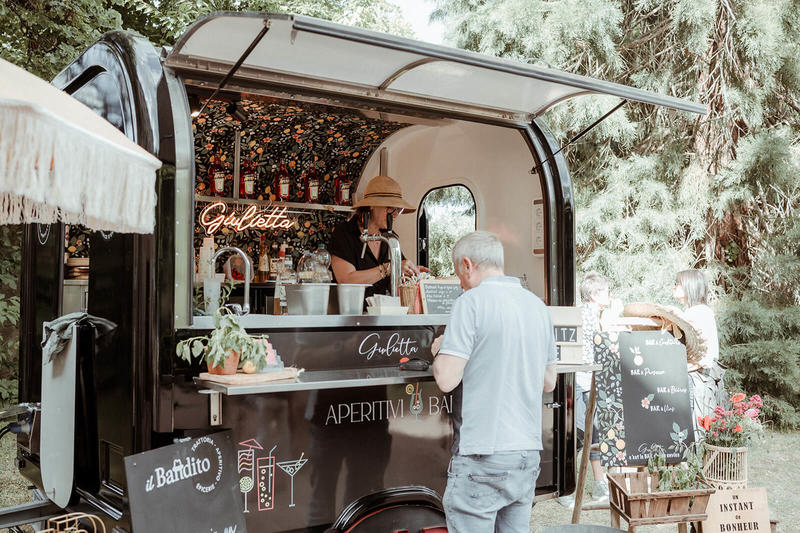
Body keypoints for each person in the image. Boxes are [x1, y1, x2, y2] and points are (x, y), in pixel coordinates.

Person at [431, 231, 558, 533]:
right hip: (526, 455)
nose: (460, 282)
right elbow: (549, 381)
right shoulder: (537, 306)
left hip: (483, 453)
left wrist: (441, 349)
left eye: (458, 273)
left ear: (467, 265)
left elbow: (446, 379)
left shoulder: (470, 302)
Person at [558, 272, 614, 508]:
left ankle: (599, 483)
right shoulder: (584, 314)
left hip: (590, 380)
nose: (610, 295)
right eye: (606, 291)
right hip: (580, 380)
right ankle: (564, 486)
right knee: (579, 434)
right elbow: (585, 350)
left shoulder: (594, 314)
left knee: (595, 432)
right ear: (594, 295)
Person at [328, 175, 427, 299]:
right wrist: (388, 268)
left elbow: (399, 270)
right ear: (372, 205)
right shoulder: (344, 233)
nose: (395, 215)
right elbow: (346, 280)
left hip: (383, 309)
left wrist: (410, 272)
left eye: (398, 209)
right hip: (351, 309)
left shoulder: (390, 239)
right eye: (390, 208)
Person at [672, 269, 723, 424]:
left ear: (690, 286)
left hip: (698, 381)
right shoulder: (696, 311)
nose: (674, 286)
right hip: (697, 379)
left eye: (677, 283)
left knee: (694, 430)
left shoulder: (698, 312)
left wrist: (676, 371)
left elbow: (705, 358)